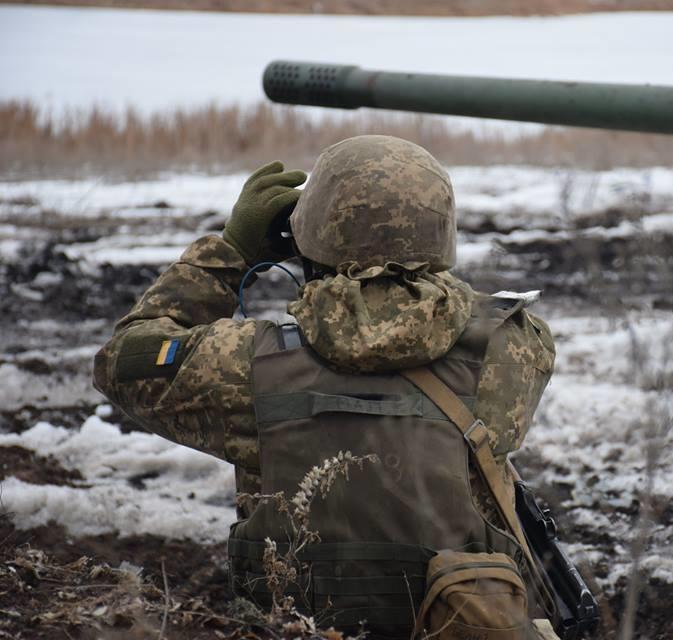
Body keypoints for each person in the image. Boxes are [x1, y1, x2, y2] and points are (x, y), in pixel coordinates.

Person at [93, 135, 557, 639]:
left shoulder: (247, 362)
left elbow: (123, 362)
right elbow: (450, 304)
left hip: (296, 629)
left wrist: (228, 250)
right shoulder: (513, 346)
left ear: (311, 234)